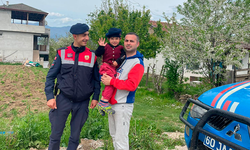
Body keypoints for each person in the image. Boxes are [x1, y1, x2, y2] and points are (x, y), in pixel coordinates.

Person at [44, 23, 100, 150]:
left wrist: (96, 97)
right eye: (83, 35)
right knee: (55, 135)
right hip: (63, 100)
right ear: (75, 36)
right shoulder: (62, 53)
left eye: (87, 35)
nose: (87, 38)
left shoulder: (92, 56)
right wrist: (50, 97)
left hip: (82, 102)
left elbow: (96, 79)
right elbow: (50, 77)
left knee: (75, 137)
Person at [101, 32, 144, 150]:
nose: (128, 43)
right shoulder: (123, 60)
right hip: (113, 104)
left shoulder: (137, 63)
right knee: (114, 136)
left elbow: (132, 85)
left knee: (121, 140)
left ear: (137, 44)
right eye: (126, 41)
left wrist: (111, 81)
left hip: (123, 105)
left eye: (132, 41)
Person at [95, 28, 125, 116]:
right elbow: (98, 54)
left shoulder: (121, 48)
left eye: (116, 39)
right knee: (111, 83)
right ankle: (104, 102)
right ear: (109, 39)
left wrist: (118, 61)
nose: (114, 41)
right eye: (112, 39)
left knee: (110, 84)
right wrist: (101, 46)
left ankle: (102, 102)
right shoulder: (105, 47)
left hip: (114, 69)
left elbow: (124, 56)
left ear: (120, 39)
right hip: (106, 67)